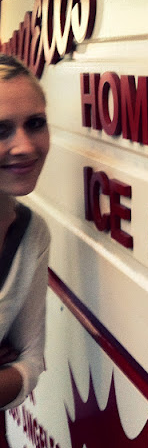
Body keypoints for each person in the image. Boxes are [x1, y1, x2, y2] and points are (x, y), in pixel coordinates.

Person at [0, 54, 50, 415]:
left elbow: (30, 363)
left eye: (35, 124)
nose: (26, 146)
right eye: (0, 130)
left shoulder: (32, 234)